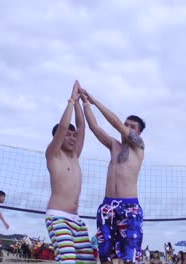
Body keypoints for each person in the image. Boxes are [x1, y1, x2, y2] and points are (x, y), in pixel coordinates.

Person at [81, 88, 146, 264]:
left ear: (138, 133)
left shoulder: (138, 146)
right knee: (105, 255)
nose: (126, 128)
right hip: (107, 206)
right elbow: (95, 127)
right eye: (127, 124)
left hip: (129, 206)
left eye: (131, 126)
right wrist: (86, 103)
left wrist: (94, 100)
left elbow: (117, 123)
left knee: (130, 257)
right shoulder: (114, 146)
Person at [44, 80, 94, 264]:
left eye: (74, 136)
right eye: (68, 135)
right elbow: (63, 127)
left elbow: (82, 127)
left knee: (86, 261)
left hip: (76, 220)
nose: (72, 137)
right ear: (58, 138)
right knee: (68, 261)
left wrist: (80, 101)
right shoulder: (53, 154)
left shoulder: (75, 155)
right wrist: (72, 100)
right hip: (58, 217)